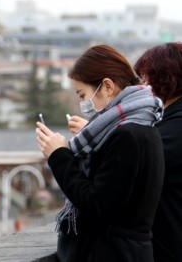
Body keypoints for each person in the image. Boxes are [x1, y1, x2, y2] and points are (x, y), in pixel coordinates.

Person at [36, 44, 165, 262]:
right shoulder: (143, 125)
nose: (84, 103)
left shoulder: (127, 136)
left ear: (107, 86)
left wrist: (58, 155)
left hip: (113, 253)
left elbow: (96, 203)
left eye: (83, 94)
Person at [134, 42, 182, 262]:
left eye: (146, 77)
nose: (144, 85)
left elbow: (134, 165)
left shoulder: (175, 127)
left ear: (166, 77)